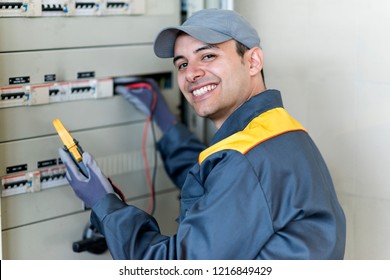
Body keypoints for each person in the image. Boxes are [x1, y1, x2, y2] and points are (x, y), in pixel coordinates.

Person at [59, 8, 346, 259]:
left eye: (208, 56)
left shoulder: (247, 162)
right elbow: (215, 185)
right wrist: (167, 125)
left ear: (253, 61)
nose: (191, 73)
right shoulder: (276, 129)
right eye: (182, 64)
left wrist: (105, 206)